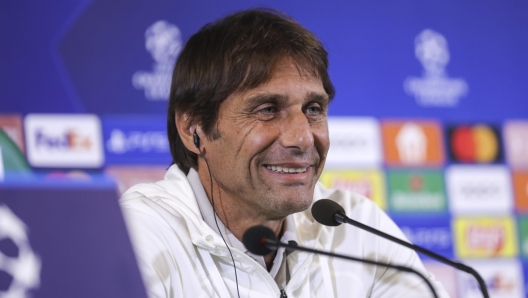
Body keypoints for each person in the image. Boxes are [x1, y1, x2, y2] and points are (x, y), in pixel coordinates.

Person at [120, 8, 449, 298]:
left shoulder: (355, 226)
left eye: (313, 108)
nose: (304, 138)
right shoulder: (139, 234)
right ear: (194, 129)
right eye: (267, 109)